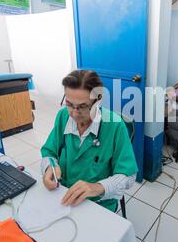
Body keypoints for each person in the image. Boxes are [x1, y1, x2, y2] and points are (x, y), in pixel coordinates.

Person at [40, 70, 138, 212]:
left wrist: (97, 187)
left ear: (98, 100)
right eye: (69, 103)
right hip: (63, 194)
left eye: (82, 106)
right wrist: (50, 167)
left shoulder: (115, 126)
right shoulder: (63, 116)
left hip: (98, 204)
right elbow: (49, 151)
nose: (74, 113)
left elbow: (128, 176)